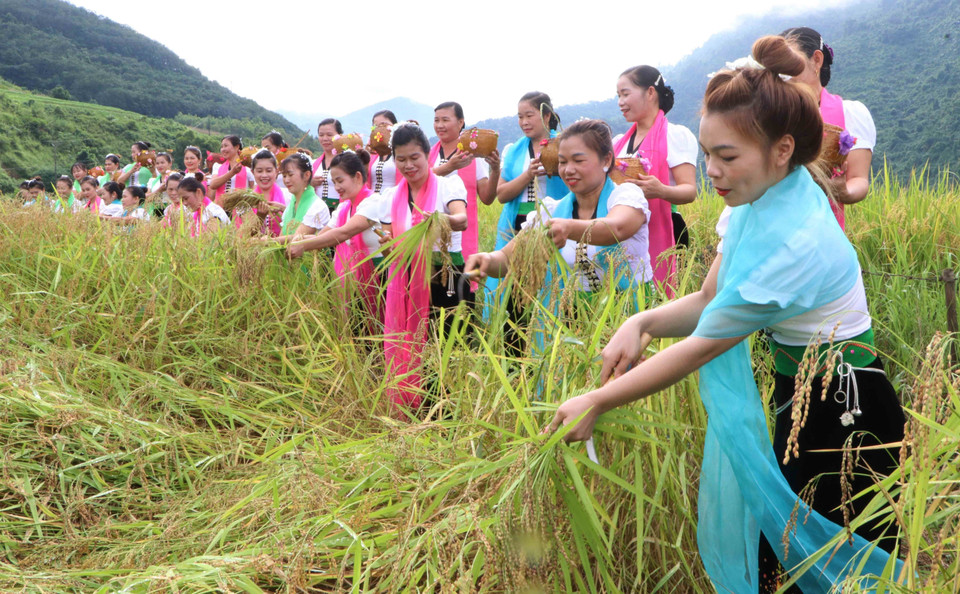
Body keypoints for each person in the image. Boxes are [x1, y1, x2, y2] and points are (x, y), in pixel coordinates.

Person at [544, 36, 904, 593]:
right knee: (790, 554)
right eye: (709, 154)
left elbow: (706, 341)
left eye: (727, 157)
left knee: (837, 561)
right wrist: (641, 322)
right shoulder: (755, 203)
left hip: (846, 409)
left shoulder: (794, 240)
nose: (711, 171)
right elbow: (709, 301)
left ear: (782, 149)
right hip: (799, 393)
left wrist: (597, 398)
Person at [466, 118, 652, 332]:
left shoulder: (625, 196)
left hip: (630, 318)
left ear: (606, 160)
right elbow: (508, 259)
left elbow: (616, 228)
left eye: (578, 161)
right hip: (574, 321)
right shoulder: (552, 210)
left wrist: (568, 228)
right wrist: (486, 260)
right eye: (562, 162)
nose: (568, 170)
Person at [377, 122, 469, 411]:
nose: (408, 165)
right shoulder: (391, 197)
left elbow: (461, 219)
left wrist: (436, 219)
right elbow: (387, 237)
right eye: (401, 159)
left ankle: (448, 412)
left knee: (446, 345)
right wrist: (388, 239)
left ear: (427, 155)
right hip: (404, 278)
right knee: (411, 341)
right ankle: (412, 407)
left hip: (445, 275)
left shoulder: (448, 184)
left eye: (414, 157)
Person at [485, 91, 569, 343]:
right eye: (520, 117)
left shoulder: (563, 144)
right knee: (513, 287)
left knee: (548, 284)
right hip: (517, 224)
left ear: (546, 116)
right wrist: (528, 174)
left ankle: (546, 342)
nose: (524, 122)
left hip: (551, 222)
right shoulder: (514, 151)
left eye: (529, 115)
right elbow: (501, 194)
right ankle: (514, 345)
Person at [781, 26, 876, 230]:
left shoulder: (850, 113)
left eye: (789, 63)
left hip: (822, 236)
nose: (783, 74)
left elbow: (858, 179)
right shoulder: (768, 112)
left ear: (816, 59)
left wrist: (843, 191)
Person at [614, 66, 698, 292]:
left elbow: (689, 191)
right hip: (623, 231)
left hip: (664, 229)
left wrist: (661, 190)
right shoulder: (619, 143)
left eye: (625, 93)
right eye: (618, 96)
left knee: (657, 301)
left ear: (650, 92)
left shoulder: (675, 135)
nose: (620, 102)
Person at [288, 149, 384, 320]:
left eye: (340, 181)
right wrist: (273, 242)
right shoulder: (343, 208)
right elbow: (320, 237)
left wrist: (302, 245)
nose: (337, 188)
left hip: (379, 279)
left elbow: (344, 232)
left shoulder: (374, 202)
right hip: (355, 281)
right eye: (334, 182)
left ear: (357, 177)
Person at [429, 101, 500, 268]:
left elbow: (487, 198)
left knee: (462, 283)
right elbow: (417, 183)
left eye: (445, 120)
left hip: (461, 231)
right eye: (436, 120)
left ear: (460, 122)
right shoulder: (428, 154)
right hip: (430, 232)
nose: (440, 125)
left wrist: (495, 170)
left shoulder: (473, 155)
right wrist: (449, 167)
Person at [271, 152, 330, 244]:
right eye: (284, 176)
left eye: (290, 175)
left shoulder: (317, 207)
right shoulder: (291, 205)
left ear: (307, 175)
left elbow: (297, 239)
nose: (286, 180)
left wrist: (269, 241)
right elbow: (282, 236)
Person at [250, 149, 290, 236]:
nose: (264, 175)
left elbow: (297, 226)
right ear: (253, 172)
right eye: (259, 171)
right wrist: (260, 217)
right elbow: (246, 235)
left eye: (268, 171)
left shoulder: (288, 196)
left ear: (276, 171)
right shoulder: (246, 201)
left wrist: (284, 210)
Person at [209, 135, 254, 204]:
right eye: (222, 147)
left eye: (226, 146)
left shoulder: (247, 169)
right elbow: (212, 185)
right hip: (222, 211)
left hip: (240, 210)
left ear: (237, 147)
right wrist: (232, 173)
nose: (223, 149)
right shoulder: (218, 167)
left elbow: (253, 191)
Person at [311, 118, 343, 210]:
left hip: (340, 209)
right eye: (321, 135)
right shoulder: (315, 163)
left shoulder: (346, 160)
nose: (325, 139)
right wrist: (310, 183)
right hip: (318, 211)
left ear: (339, 136)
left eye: (329, 135)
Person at [367, 110, 399, 194]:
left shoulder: (400, 152)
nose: (380, 129)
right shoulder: (372, 155)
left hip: (393, 199)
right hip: (372, 201)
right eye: (376, 126)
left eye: (384, 124)